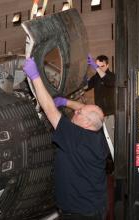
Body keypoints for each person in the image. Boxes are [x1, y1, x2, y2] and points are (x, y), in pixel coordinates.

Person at [23, 57, 108, 220]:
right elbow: (87, 111)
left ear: (86, 122)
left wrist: (35, 76)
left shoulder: (76, 138)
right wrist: (65, 102)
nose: (76, 111)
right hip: (95, 209)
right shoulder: (97, 133)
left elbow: (49, 109)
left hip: (78, 215)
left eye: (79, 113)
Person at [86, 54, 115, 145]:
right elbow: (86, 87)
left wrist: (96, 68)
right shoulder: (96, 77)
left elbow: (108, 81)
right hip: (99, 115)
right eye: (97, 66)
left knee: (111, 139)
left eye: (102, 66)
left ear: (107, 65)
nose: (99, 68)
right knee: (101, 141)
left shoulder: (112, 76)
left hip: (109, 114)